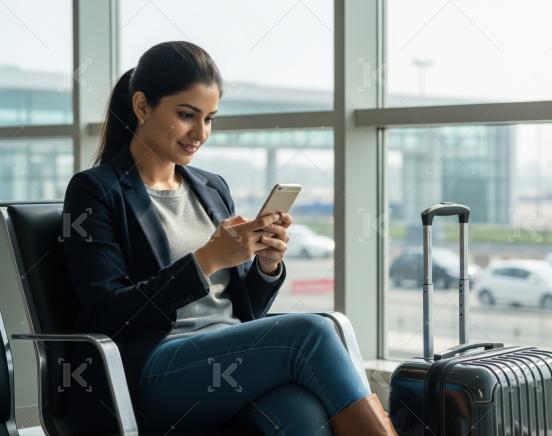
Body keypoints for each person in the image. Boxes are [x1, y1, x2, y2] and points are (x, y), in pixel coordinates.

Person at [61, 41, 396, 435]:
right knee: (312, 330)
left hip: (228, 357)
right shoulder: (95, 191)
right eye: (186, 115)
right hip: (153, 370)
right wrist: (206, 261)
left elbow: (244, 311)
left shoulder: (211, 187)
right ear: (141, 106)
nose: (200, 133)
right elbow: (109, 315)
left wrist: (267, 266)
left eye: (210, 118)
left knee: (299, 412)